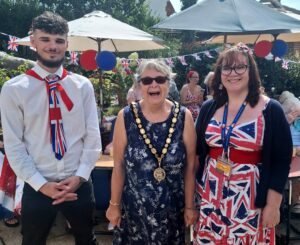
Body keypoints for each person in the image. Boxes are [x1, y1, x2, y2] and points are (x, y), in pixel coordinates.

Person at [0, 11, 101, 245]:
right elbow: (15, 145)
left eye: (59, 40)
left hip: (78, 182)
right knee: (33, 240)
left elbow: (93, 137)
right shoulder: (14, 89)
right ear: (33, 42)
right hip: (37, 184)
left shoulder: (82, 86)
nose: (52, 46)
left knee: (87, 238)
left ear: (67, 44)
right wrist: (42, 185)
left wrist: (80, 176)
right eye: (45, 39)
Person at [193, 44, 292, 244]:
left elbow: (281, 161)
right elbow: (197, 155)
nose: (233, 73)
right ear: (220, 74)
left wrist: (273, 206)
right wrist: (192, 202)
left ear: (251, 71)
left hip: (250, 198)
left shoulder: (270, 109)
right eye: (227, 68)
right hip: (210, 196)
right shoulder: (208, 108)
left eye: (240, 67)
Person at [106, 60, 198, 244]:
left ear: (168, 83)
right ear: (140, 84)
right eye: (147, 80)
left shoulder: (183, 116)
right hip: (134, 212)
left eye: (160, 79)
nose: (153, 84)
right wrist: (113, 205)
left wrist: (190, 206)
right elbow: (119, 168)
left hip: (172, 212)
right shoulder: (126, 116)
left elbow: (190, 168)